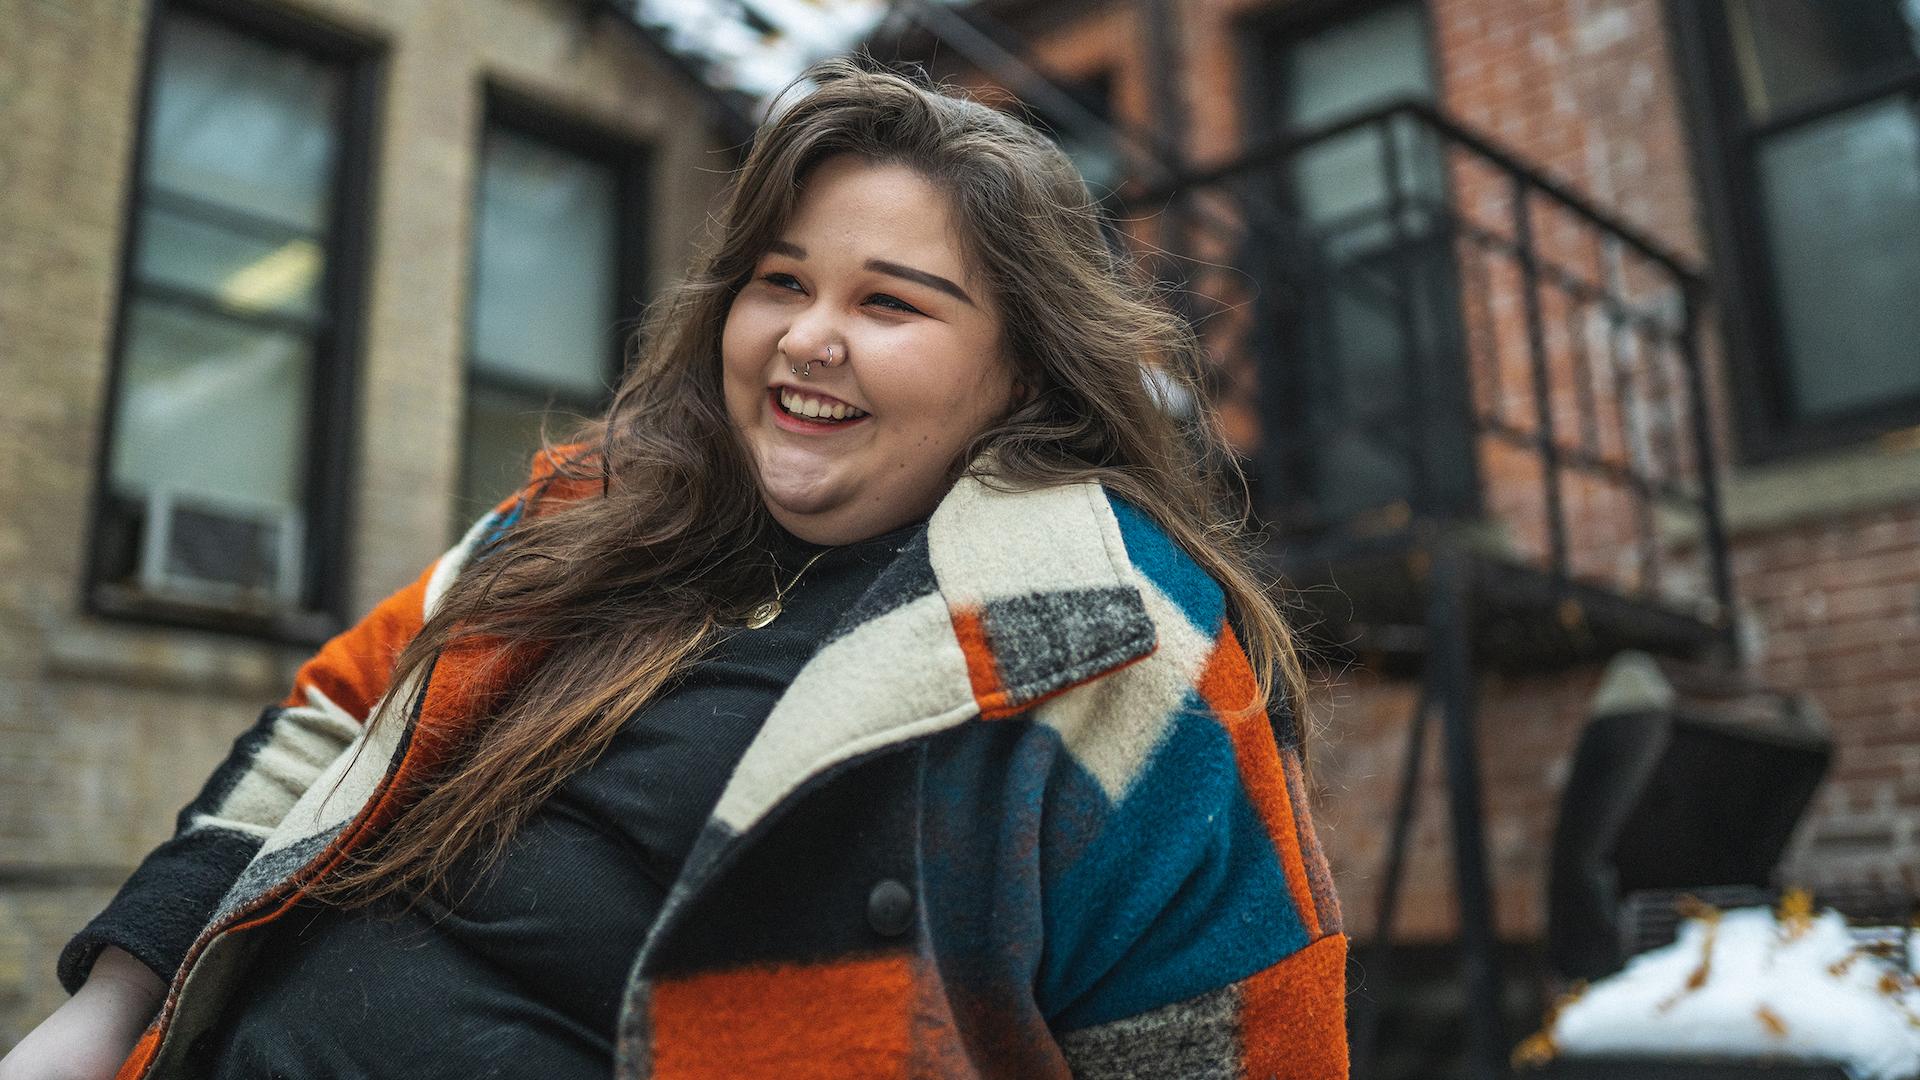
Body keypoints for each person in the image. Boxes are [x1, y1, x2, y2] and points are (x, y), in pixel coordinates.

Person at [1, 58, 1346, 1079]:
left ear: (1022, 364)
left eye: (889, 303)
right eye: (780, 282)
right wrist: (100, 1016)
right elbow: (339, 719)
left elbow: (1229, 1039)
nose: (809, 337)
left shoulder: (1121, 646)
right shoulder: (591, 506)